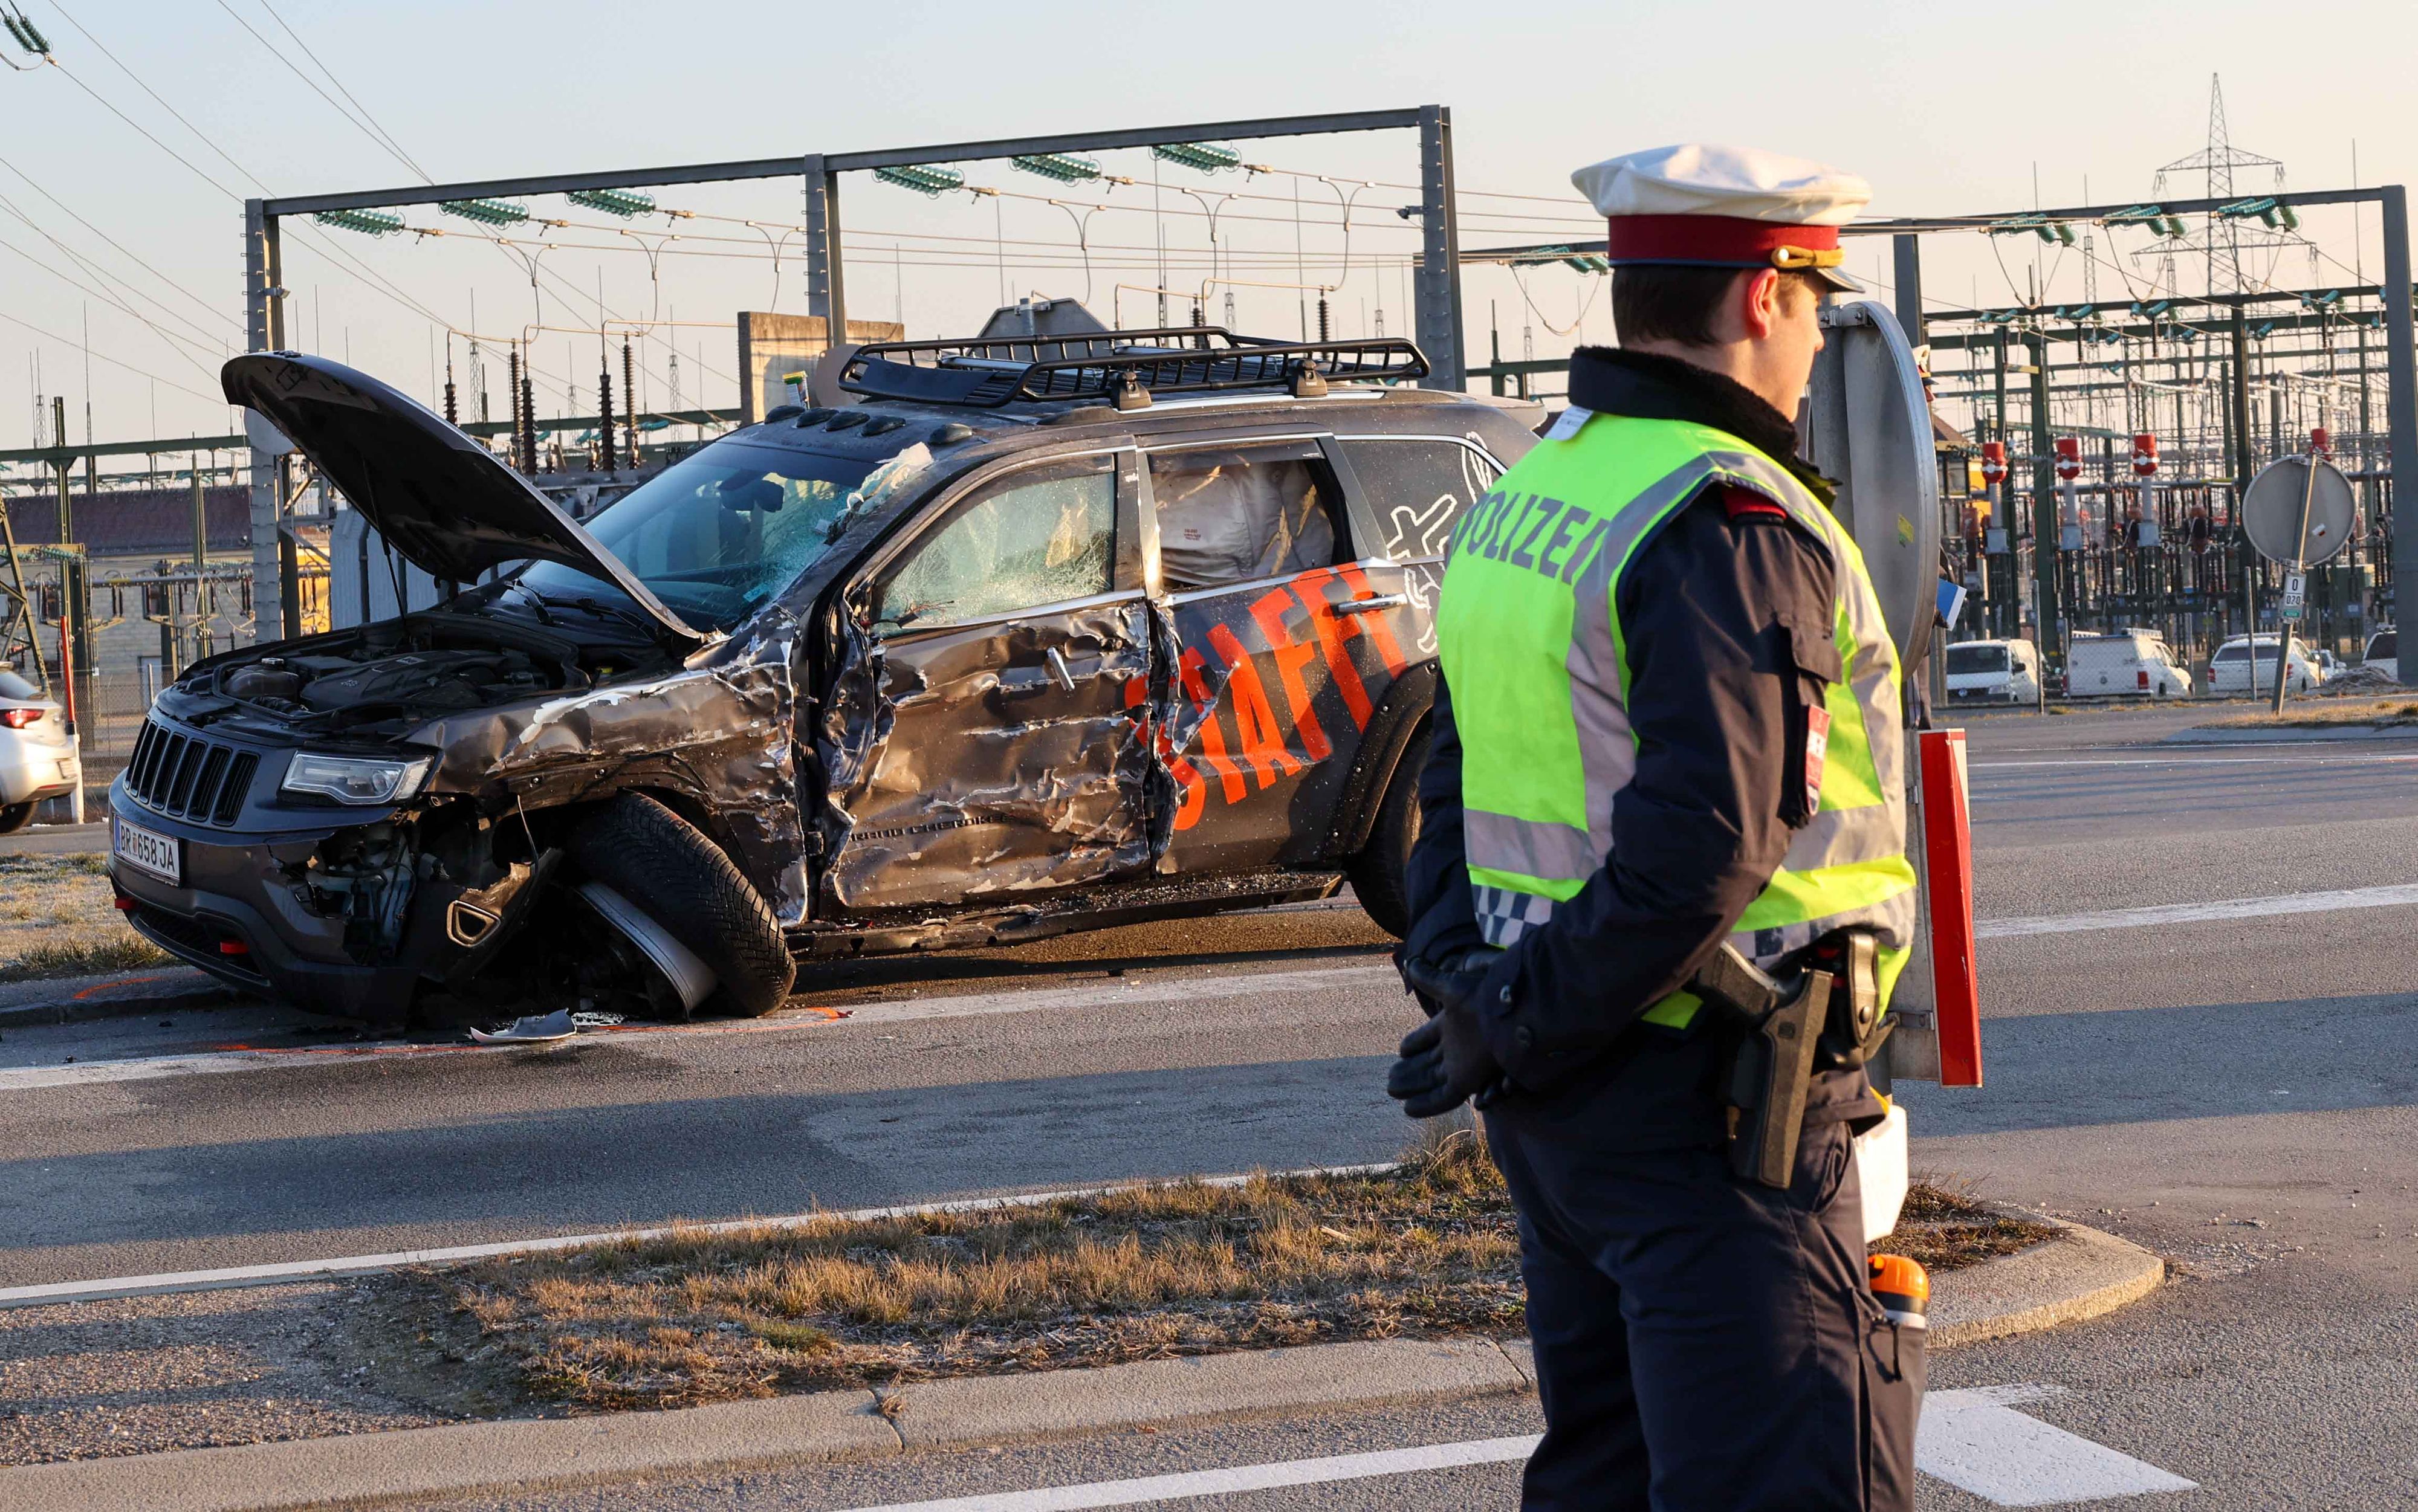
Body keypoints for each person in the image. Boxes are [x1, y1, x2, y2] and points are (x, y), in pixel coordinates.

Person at [1385, 144, 1923, 1511]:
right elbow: (1705, 845)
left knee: (1605, 1479)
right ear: (1761, 299)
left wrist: (1475, 994)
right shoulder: (1723, 521)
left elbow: (1450, 776)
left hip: (1566, 1108)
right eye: (1816, 304)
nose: (1815, 343)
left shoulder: (1530, 500)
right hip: (1718, 1117)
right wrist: (1506, 1015)